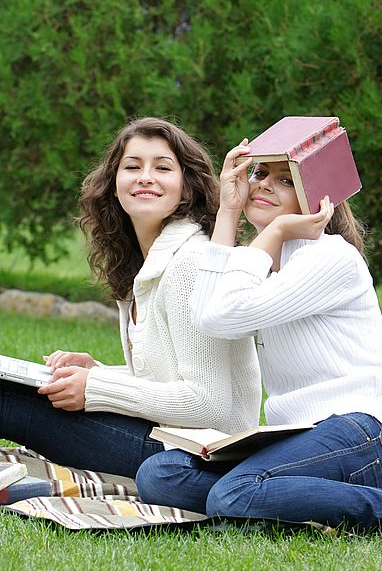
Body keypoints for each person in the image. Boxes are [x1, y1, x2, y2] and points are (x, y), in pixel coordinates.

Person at [136, 138, 382, 534]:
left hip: (358, 430)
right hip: (296, 438)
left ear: (315, 196)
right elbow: (206, 315)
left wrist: (274, 231)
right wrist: (227, 210)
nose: (262, 184)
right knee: (160, 473)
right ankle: (275, 504)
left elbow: (221, 315)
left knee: (231, 494)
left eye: (285, 180)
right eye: (260, 173)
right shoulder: (259, 263)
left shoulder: (330, 258)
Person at [0, 120, 261, 478]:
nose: (145, 177)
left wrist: (94, 387)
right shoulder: (147, 263)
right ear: (114, 185)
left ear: (186, 188)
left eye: (163, 167)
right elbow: (166, 378)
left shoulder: (191, 263)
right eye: (133, 166)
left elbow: (209, 405)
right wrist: (97, 372)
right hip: (168, 436)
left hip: (199, 454)